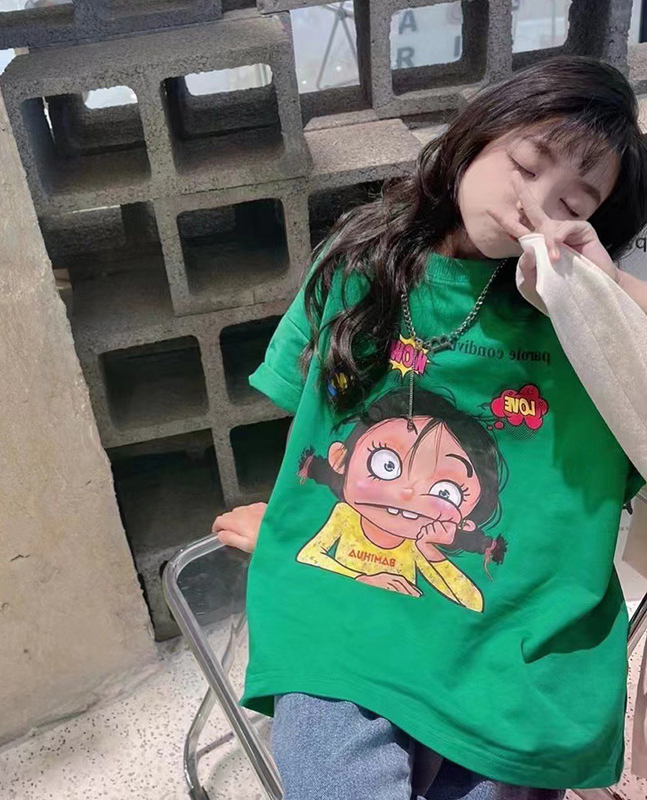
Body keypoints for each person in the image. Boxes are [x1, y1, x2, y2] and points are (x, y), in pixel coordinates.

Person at [211, 55, 647, 800]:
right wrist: (292, 524)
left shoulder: (586, 318)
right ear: (476, 135)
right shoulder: (359, 261)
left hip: (516, 643)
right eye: (527, 165)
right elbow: (315, 428)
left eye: (573, 201)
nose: (537, 203)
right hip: (342, 615)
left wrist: (602, 287)